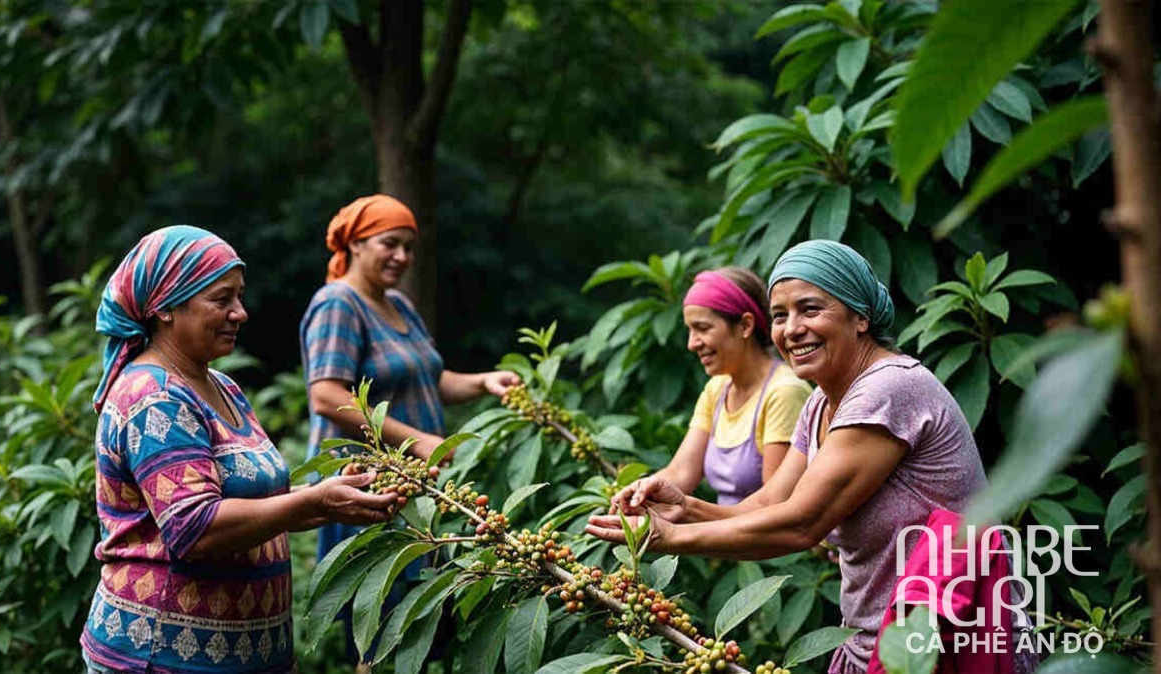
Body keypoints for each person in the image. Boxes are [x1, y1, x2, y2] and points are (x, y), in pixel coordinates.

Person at [586, 240, 1028, 674]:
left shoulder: (890, 388)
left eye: (811, 309)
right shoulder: (819, 403)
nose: (791, 328)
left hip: (942, 650)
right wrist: (686, 509)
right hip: (868, 642)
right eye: (780, 315)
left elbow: (801, 524)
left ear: (860, 317)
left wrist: (669, 538)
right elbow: (770, 503)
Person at [81, 226, 397, 674]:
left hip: (242, 658)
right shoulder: (154, 395)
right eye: (222, 299)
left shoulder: (220, 385)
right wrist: (316, 500)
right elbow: (196, 529)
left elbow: (264, 507)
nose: (240, 313)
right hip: (162, 657)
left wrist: (337, 500)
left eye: (239, 297)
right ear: (167, 307)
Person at [298, 194, 519, 665]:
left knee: (425, 625)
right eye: (389, 243)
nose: (401, 256)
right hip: (373, 491)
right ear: (356, 244)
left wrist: (483, 381)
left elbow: (429, 378)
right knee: (381, 630)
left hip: (419, 490)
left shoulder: (397, 303)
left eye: (409, 247)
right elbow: (327, 396)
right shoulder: (339, 303)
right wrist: (421, 443)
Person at [654, 267, 810, 505]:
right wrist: (633, 495)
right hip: (722, 536)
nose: (692, 344)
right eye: (690, 330)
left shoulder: (784, 392)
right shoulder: (717, 388)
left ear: (745, 325)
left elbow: (774, 506)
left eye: (703, 329)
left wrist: (691, 523)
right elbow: (681, 473)